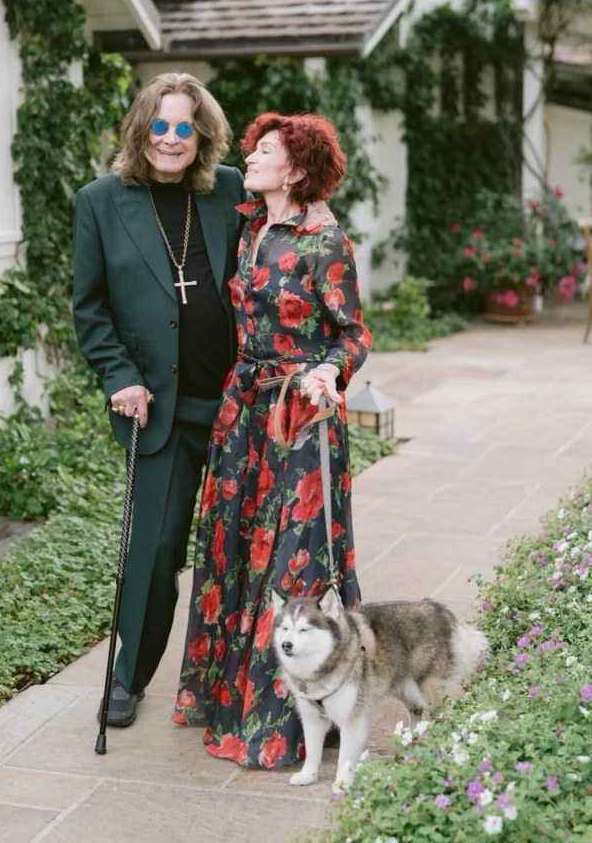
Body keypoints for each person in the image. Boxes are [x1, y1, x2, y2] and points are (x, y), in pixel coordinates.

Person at [172, 110, 372, 768]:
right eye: (252, 149)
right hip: (247, 411)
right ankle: (228, 698)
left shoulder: (324, 242)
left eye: (264, 151)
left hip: (302, 414)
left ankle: (287, 717)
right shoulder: (251, 229)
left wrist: (328, 371)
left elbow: (354, 334)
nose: (249, 158)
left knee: (294, 557)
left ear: (295, 169)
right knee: (235, 546)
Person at [72, 72, 247, 728]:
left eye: (185, 128)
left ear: (202, 137)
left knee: (245, 545)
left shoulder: (230, 190)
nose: (171, 139)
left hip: (234, 404)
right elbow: (90, 307)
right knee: (156, 546)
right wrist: (118, 375)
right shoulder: (99, 201)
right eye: (160, 125)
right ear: (140, 128)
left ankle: (245, 678)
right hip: (157, 409)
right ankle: (128, 676)